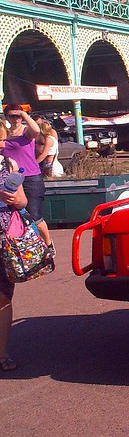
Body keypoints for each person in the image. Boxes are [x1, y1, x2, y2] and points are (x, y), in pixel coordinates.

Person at [2, 106, 52, 254]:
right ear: (6, 117)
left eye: (18, 116)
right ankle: (24, 249)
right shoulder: (4, 134)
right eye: (12, 116)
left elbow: (36, 131)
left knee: (34, 214)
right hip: (12, 178)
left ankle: (48, 243)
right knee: (13, 215)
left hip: (31, 177)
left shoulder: (26, 132)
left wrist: (23, 113)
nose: (16, 119)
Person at [0, 159, 29, 373]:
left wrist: (14, 199)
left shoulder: (10, 164)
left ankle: (1, 354)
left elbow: (22, 202)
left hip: (5, 241)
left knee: (3, 298)